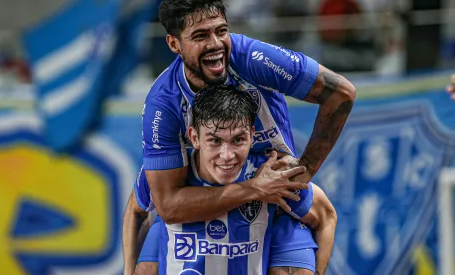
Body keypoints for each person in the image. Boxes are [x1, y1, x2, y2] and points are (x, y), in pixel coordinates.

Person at [123, 0, 355, 274]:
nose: (216, 44)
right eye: (200, 35)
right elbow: (164, 206)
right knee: (148, 267)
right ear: (174, 44)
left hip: (272, 192)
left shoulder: (253, 58)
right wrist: (254, 189)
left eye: (221, 31)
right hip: (210, 194)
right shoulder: (162, 103)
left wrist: (302, 173)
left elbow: (341, 93)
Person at [132, 85, 337, 274]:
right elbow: (134, 212)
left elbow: (326, 216)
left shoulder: (270, 174)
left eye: (238, 140)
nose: (227, 155)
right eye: (215, 140)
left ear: (252, 136)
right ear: (194, 137)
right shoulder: (169, 172)